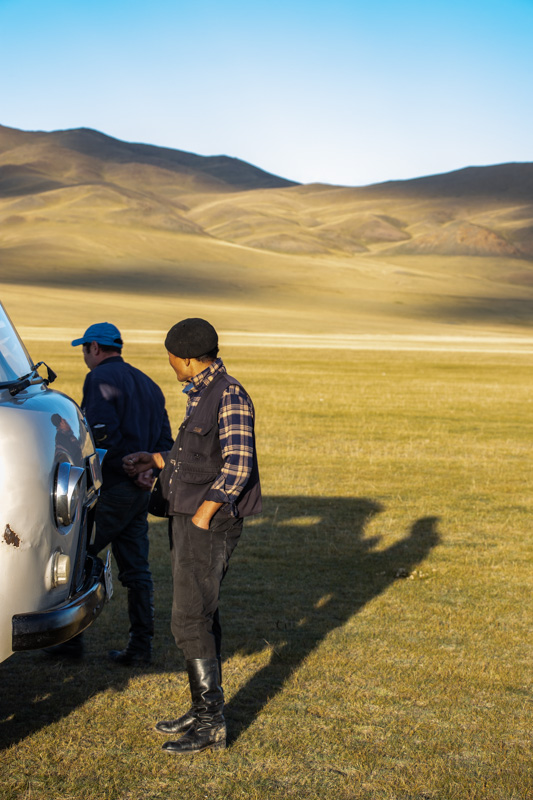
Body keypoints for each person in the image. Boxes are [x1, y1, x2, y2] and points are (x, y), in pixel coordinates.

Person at [123, 318, 261, 754]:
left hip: (209, 521)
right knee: (201, 613)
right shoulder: (202, 392)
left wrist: (204, 513)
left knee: (189, 617)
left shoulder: (230, 395)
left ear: (184, 358)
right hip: (188, 515)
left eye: (170, 358)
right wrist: (156, 460)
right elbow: (198, 454)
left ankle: (210, 724)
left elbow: (238, 464)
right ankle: (201, 709)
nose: (169, 365)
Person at [71, 322, 173, 665]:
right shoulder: (149, 383)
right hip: (140, 492)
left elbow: (102, 434)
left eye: (84, 349)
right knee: (137, 568)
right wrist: (149, 471)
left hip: (112, 488)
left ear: (95, 348)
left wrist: (128, 468)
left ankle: (69, 640)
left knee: (78, 557)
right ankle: (140, 646)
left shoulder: (98, 378)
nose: (85, 356)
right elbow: (166, 442)